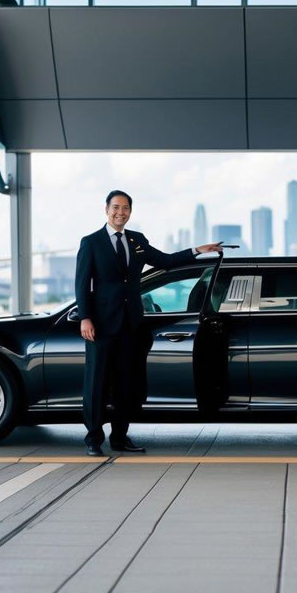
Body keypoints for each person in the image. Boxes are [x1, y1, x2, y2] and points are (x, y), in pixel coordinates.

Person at [75, 190, 222, 456]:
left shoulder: (137, 240)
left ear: (131, 211)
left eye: (126, 208)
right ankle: (93, 440)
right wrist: (85, 317)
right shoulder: (91, 242)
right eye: (116, 207)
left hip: (131, 326)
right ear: (106, 209)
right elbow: (82, 283)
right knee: (96, 384)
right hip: (102, 326)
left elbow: (165, 261)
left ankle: (120, 437)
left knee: (125, 385)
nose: (121, 213)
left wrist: (198, 250)